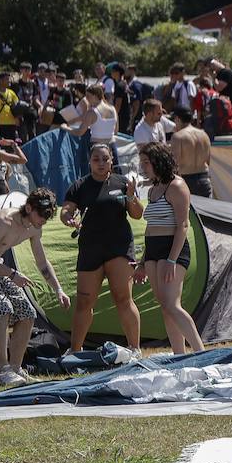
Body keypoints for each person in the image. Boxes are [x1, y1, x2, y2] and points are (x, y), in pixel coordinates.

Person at [0, 189, 67, 385]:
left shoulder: (34, 227)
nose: (43, 220)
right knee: (3, 308)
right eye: (42, 215)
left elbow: (42, 263)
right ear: (29, 208)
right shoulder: (2, 221)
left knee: (28, 313)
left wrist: (58, 289)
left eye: (48, 216)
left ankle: (16, 369)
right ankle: (2, 370)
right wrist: (12, 274)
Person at [61, 143, 143, 355]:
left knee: (123, 298)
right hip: (90, 249)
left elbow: (137, 214)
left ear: (111, 161)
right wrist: (68, 217)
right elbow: (66, 210)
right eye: (96, 159)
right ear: (89, 162)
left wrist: (131, 196)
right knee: (84, 302)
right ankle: (75, 351)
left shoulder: (122, 183)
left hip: (119, 247)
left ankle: (135, 349)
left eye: (105, 159)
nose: (100, 163)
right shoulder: (79, 186)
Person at [134, 142, 204, 355]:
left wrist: (172, 260)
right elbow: (150, 228)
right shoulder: (153, 189)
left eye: (146, 162)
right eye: (142, 162)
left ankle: (201, 352)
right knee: (165, 307)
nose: (143, 167)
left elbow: (183, 225)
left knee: (172, 305)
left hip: (172, 249)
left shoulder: (177, 185)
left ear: (158, 161)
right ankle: (179, 355)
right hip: (153, 251)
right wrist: (143, 262)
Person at [68, 84, 119, 163]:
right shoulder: (112, 109)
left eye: (88, 96)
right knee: (114, 170)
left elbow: (79, 132)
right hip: (112, 147)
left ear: (95, 96)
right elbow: (116, 130)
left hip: (97, 149)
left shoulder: (92, 112)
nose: (86, 99)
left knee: (96, 170)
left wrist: (66, 128)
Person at [168, 107, 212, 198]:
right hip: (204, 179)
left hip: (186, 181)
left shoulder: (178, 137)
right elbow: (208, 161)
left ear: (177, 119)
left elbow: (174, 163)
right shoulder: (204, 135)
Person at [0, 72, 20, 141]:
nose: (9, 81)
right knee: (3, 144)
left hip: (12, 123)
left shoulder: (11, 93)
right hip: (1, 125)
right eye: (7, 79)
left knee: (13, 144)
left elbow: (17, 106)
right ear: (1, 81)